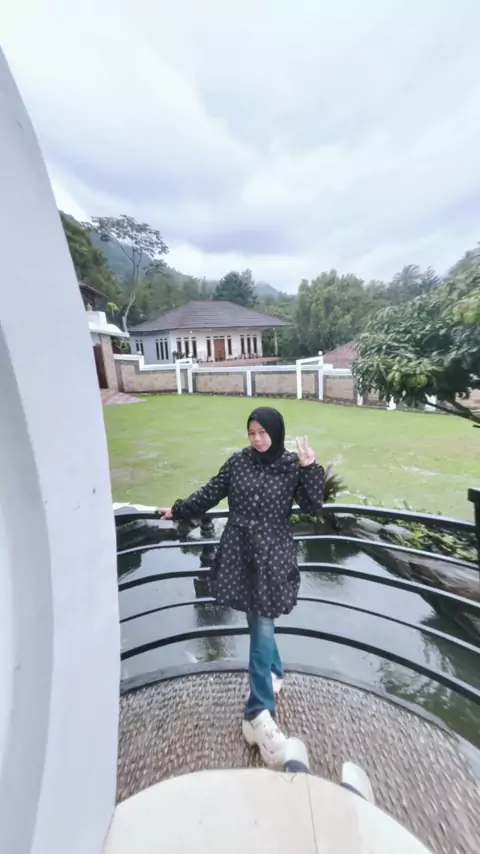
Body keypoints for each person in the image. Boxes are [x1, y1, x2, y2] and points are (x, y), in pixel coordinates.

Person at [160, 407, 324, 766]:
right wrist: (179, 509)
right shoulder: (238, 462)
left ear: (276, 432)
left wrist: (310, 469)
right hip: (240, 551)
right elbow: (211, 492)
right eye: (251, 432)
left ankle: (258, 711)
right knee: (258, 619)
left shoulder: (291, 465)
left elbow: (314, 506)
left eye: (263, 432)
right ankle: (272, 676)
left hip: (272, 554)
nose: (257, 439)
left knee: (262, 621)